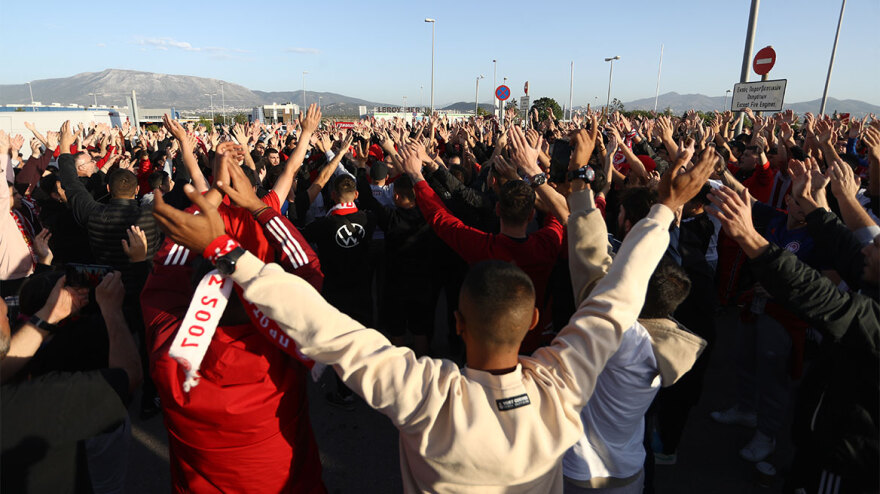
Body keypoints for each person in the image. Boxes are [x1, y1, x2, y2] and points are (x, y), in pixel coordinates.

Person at [151, 135, 713, 492]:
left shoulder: (424, 392)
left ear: (458, 325)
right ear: (534, 318)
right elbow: (618, 297)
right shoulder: (564, 384)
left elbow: (327, 329)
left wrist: (227, 249)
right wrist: (665, 209)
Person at [141, 158, 326, 493]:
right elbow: (307, 267)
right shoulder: (285, 341)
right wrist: (259, 207)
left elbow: (165, 273)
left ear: (196, 295)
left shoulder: (170, 356)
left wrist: (208, 201)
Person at [708, 181, 878, 494]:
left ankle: (766, 434)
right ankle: (745, 410)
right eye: (796, 201)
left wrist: (751, 240)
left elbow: (822, 293)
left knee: (772, 376)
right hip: (756, 310)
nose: (866, 249)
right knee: (746, 360)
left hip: (841, 459)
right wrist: (822, 201)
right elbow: (848, 243)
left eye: (876, 247)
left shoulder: (872, 318)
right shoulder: (779, 220)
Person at [1, 271, 142, 494]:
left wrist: (48, 315)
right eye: (5, 315)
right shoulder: (45, 398)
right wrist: (111, 310)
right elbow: (129, 376)